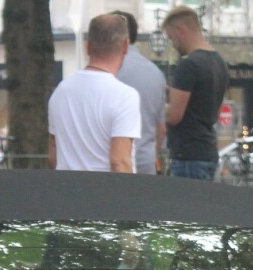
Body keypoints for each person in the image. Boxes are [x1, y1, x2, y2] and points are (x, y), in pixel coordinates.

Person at [47, 12, 140, 173]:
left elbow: (53, 157)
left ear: (88, 46)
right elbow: (120, 162)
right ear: (126, 46)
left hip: (67, 192)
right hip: (105, 194)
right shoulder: (125, 96)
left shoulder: (61, 92)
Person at [161, 5, 227, 180]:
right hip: (208, 150)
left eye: (171, 38)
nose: (173, 45)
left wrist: (155, 106)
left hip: (187, 155)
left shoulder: (188, 64)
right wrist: (174, 94)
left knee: (185, 207)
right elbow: (209, 106)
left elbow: (174, 115)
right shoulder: (219, 62)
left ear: (180, 30)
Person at [113, 11, 166, 176]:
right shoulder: (155, 73)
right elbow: (161, 129)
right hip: (145, 162)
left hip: (112, 162)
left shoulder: (111, 69)